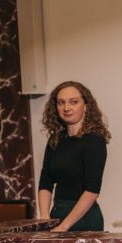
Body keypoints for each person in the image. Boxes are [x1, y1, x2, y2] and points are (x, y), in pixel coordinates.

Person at [38, 81, 110, 232]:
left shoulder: (94, 140)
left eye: (73, 102)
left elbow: (92, 191)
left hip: (83, 219)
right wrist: (44, 218)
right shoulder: (55, 139)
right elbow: (45, 182)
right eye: (61, 103)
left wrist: (64, 226)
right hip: (57, 215)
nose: (66, 108)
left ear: (86, 106)